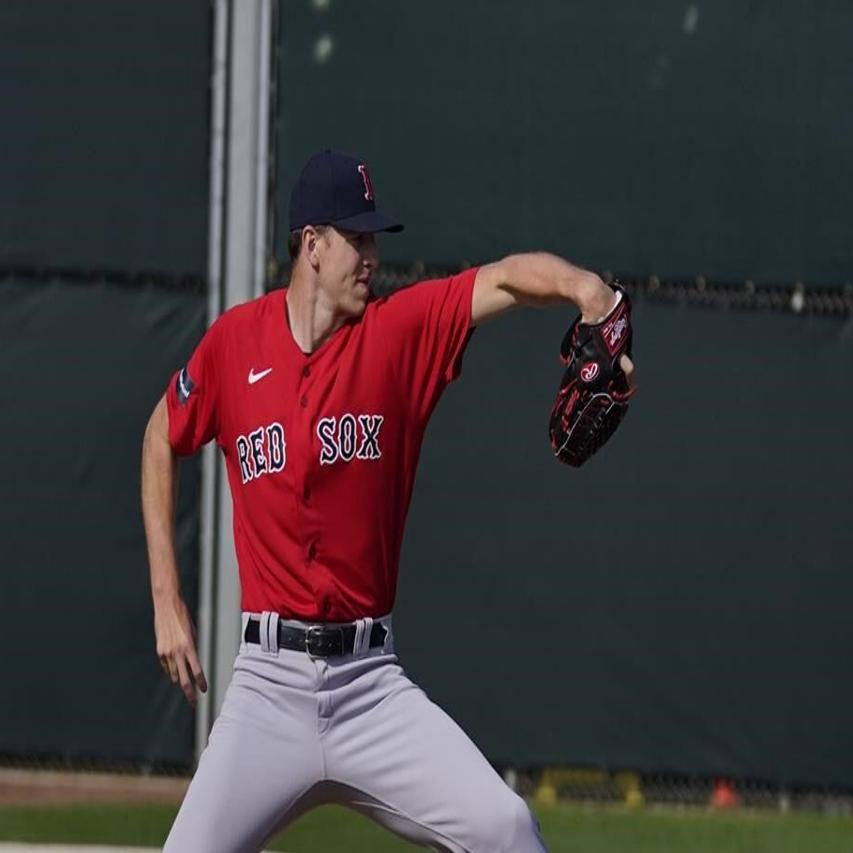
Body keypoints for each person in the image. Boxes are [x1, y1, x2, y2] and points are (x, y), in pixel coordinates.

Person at [141, 149, 634, 853]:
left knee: (507, 828)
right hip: (266, 690)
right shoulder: (233, 344)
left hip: (369, 687)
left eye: (374, 238)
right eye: (358, 236)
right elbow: (162, 431)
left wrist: (587, 289)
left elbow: (502, 279)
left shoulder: (397, 333)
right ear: (312, 244)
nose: (371, 254)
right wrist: (166, 595)